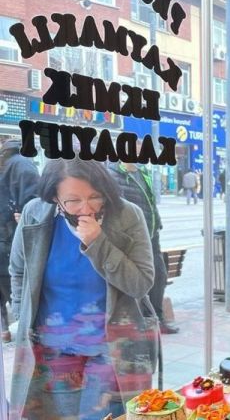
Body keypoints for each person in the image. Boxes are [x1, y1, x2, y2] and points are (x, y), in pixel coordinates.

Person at [9, 158, 157, 419]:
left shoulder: (126, 215)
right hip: (54, 347)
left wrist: (97, 243)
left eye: (95, 197)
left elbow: (141, 283)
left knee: (104, 415)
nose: (86, 208)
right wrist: (22, 317)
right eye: (73, 200)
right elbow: (19, 270)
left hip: (111, 348)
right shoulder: (35, 213)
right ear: (55, 198)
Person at [109, 158, 179, 334]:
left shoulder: (142, 173)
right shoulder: (113, 175)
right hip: (133, 239)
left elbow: (150, 202)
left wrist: (158, 222)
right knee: (135, 281)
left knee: (159, 276)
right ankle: (139, 322)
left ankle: (156, 319)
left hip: (152, 234)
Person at [0, 138, 39, 343]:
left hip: (6, 235)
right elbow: (35, 199)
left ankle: (5, 330)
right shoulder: (24, 164)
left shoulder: (8, 166)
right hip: (12, 235)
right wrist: (25, 214)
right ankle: (24, 326)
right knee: (16, 280)